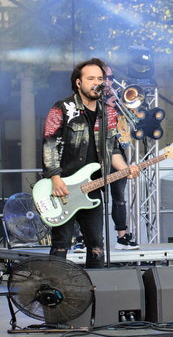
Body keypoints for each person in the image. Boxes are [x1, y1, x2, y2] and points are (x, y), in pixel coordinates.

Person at [42, 58, 140, 268]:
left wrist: (125, 169)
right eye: (91, 78)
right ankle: (56, 291)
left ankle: (96, 292)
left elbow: (112, 149)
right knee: (61, 245)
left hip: (92, 188)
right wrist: (55, 177)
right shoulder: (62, 108)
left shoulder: (109, 112)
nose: (97, 82)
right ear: (79, 82)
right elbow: (49, 144)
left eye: (100, 78)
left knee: (97, 246)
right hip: (63, 187)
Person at [103, 65, 140, 250]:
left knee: (119, 197)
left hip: (118, 150)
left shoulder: (118, 96)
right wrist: (105, 107)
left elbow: (136, 120)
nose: (108, 81)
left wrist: (122, 106)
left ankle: (122, 236)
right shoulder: (91, 99)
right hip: (96, 153)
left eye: (111, 77)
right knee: (89, 197)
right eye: (105, 77)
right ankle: (81, 239)